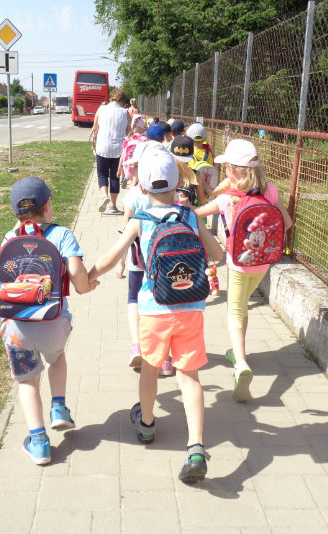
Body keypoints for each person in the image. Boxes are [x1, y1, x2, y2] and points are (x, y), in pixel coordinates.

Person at [88, 150, 224, 484]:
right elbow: (218, 254)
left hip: (154, 309)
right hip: (191, 307)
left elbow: (111, 258)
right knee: (189, 377)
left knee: (150, 369)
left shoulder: (140, 219)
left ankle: (147, 425)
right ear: (177, 183)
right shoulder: (189, 216)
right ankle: (196, 447)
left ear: (143, 187)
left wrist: (87, 278)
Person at [0, 177, 99, 465]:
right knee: (57, 359)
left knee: (28, 382)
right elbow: (77, 274)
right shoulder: (62, 234)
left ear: (16, 213)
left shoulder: (9, 238)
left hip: (16, 326)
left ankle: (39, 443)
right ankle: (59, 408)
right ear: (47, 206)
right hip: (54, 322)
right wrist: (86, 287)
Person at [194, 139, 292, 402]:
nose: (225, 171)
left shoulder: (228, 197)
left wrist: (184, 205)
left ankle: (240, 364)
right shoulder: (271, 191)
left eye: (226, 167)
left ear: (233, 170)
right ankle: (239, 352)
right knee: (243, 304)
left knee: (234, 312)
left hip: (238, 263)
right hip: (263, 262)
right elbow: (287, 223)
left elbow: (198, 213)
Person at [114, 140, 173, 374]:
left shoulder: (133, 196)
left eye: (136, 167)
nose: (133, 171)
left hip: (138, 262)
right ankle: (165, 358)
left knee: (133, 300)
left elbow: (125, 233)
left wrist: (120, 264)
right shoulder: (172, 195)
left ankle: (137, 346)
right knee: (164, 304)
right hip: (165, 264)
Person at [92, 88, 130, 215]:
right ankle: (113, 205)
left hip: (102, 147)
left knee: (102, 174)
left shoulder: (101, 109)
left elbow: (95, 128)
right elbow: (129, 133)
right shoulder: (125, 113)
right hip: (119, 149)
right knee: (115, 176)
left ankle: (104, 196)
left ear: (110, 98)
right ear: (123, 100)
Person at [170, 135, 209, 206]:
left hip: (168, 211)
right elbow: (202, 200)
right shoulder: (195, 175)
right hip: (188, 212)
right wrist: (206, 183)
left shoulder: (166, 172)